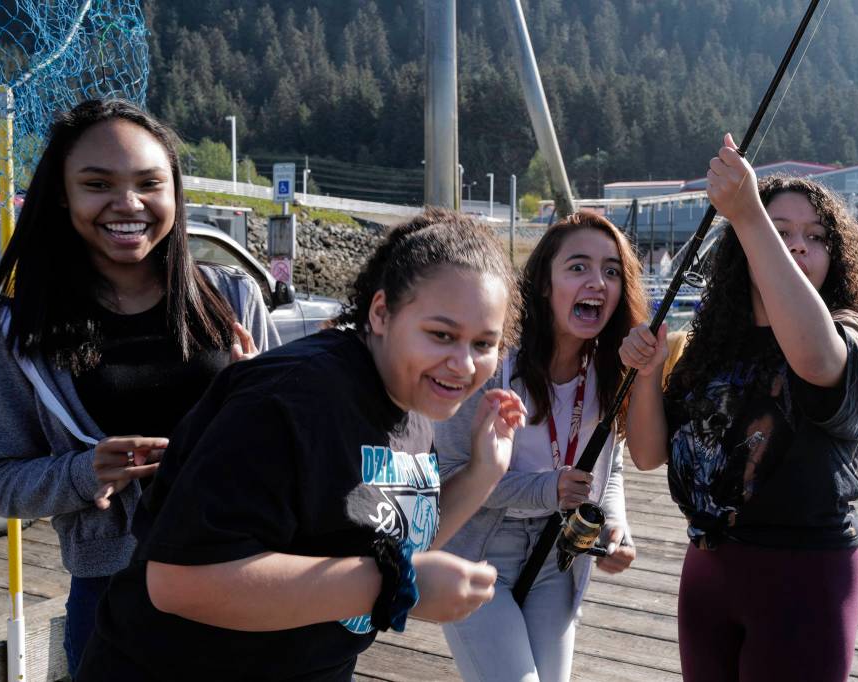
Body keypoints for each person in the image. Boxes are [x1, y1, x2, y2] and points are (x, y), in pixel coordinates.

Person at [77, 209, 527, 681]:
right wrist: (393, 586)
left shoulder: (414, 398)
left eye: (483, 344)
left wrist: (482, 473)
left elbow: (393, 537)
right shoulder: (291, 398)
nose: (462, 363)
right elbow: (177, 581)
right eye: (442, 335)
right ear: (381, 313)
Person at [0, 99, 278, 677]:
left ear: (174, 193)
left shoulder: (233, 301)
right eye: (97, 183)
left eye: (149, 183)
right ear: (62, 194)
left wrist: (251, 402)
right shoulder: (20, 334)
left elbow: (296, 448)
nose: (127, 204)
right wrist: (86, 472)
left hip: (246, 574)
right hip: (113, 594)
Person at [619, 134, 858, 682]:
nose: (797, 245)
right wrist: (649, 375)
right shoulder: (707, 347)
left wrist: (751, 217)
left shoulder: (852, 334)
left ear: (835, 256)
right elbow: (649, 454)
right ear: (739, 253)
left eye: (814, 237)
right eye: (781, 230)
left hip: (803, 581)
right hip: (706, 574)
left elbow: (819, 363)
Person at [437, 211, 648, 682]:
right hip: (478, 550)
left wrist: (615, 525)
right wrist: (547, 488)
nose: (597, 280)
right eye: (578, 267)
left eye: (611, 271)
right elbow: (450, 474)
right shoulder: (493, 362)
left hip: (561, 556)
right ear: (545, 284)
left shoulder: (612, 368)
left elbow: (607, 471)